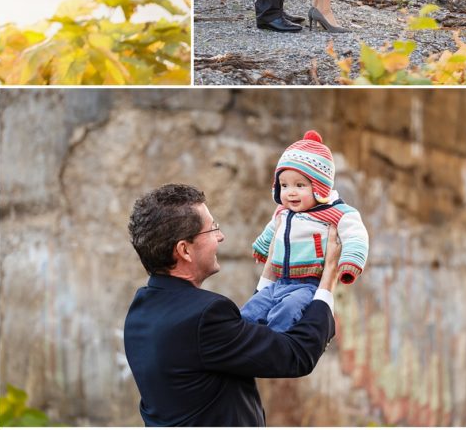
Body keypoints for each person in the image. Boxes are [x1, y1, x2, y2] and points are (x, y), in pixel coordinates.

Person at [123, 183, 338, 427]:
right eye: (212, 228)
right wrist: (328, 277)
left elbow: (241, 340)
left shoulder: (140, 311)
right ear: (184, 250)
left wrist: (272, 274)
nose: (220, 236)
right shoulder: (206, 316)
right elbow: (295, 354)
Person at [240, 130, 369, 332]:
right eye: (284, 185)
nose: (290, 192)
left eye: (300, 185)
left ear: (320, 187)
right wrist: (262, 248)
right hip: (279, 282)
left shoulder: (336, 212)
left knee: (286, 312)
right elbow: (271, 230)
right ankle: (246, 342)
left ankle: (275, 345)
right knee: (250, 311)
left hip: (307, 285)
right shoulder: (283, 212)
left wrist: (350, 263)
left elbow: (356, 235)